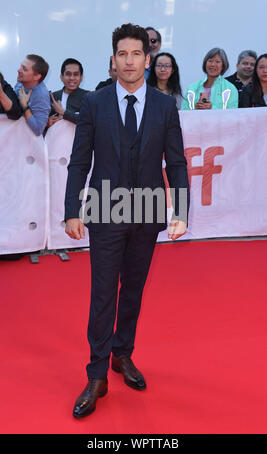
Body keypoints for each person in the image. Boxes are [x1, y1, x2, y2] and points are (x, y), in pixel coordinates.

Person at [64, 23, 189, 418]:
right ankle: (97, 373)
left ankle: (122, 355)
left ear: (148, 60)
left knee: (133, 290)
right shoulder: (95, 104)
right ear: (114, 60)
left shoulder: (166, 107)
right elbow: (80, 160)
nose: (130, 61)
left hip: (148, 210)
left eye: (137, 54)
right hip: (105, 210)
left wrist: (181, 212)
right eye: (123, 54)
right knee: (103, 293)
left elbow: (178, 162)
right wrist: (71, 210)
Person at [15, 54, 50, 136]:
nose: (19, 70)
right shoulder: (22, 80)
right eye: (21, 66)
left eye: (25, 69)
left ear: (36, 76)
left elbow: (38, 130)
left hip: (27, 142)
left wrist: (25, 107)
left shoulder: (41, 96)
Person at [48, 58, 89, 127]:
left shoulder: (88, 97)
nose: (72, 78)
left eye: (76, 74)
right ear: (61, 77)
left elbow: (89, 120)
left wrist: (63, 112)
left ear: (81, 77)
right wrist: (47, 122)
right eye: (68, 74)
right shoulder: (53, 97)